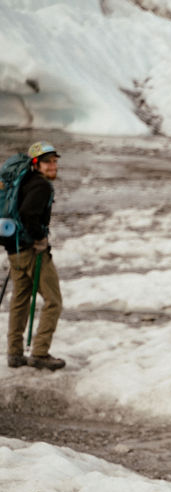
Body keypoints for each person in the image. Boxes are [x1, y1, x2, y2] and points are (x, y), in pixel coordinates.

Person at [6, 141, 65, 371]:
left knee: (20, 301)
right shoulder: (40, 186)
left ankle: (15, 353)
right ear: (35, 164)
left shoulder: (24, 182)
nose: (53, 166)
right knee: (53, 301)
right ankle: (40, 352)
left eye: (54, 161)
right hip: (31, 251)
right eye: (47, 162)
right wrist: (39, 237)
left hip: (15, 250)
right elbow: (28, 214)